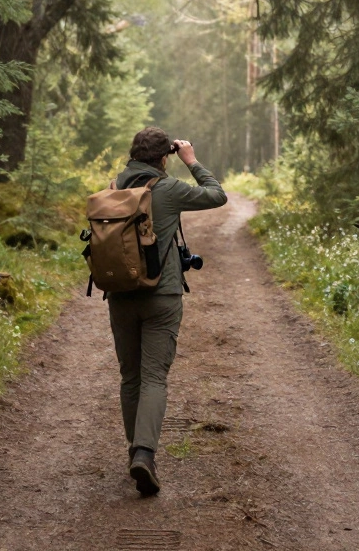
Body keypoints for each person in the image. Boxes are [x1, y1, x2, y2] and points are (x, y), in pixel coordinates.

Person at [108, 127, 226, 496]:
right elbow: (217, 195)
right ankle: (145, 453)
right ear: (164, 158)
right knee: (154, 378)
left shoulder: (114, 188)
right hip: (162, 295)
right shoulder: (168, 189)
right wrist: (191, 161)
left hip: (121, 294)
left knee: (131, 377)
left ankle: (135, 452)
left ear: (133, 154)